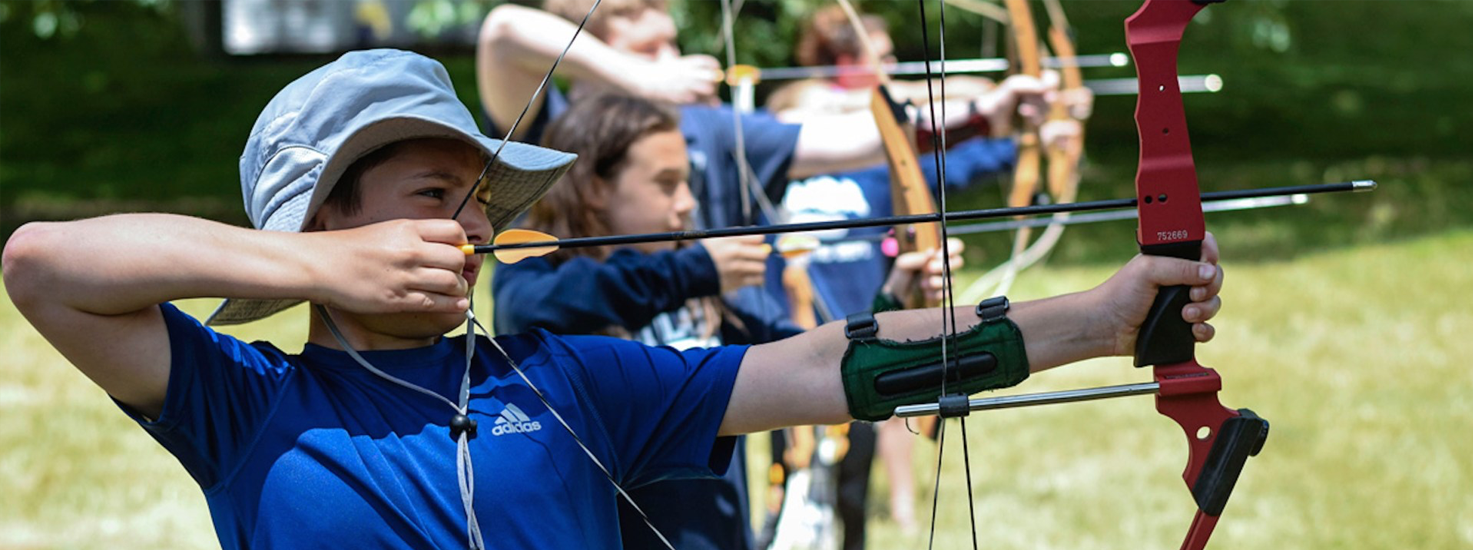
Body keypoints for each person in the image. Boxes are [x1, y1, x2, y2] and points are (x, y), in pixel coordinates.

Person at [1, 49, 1226, 549]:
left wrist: (1101, 320)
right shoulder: (242, 399)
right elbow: (43, 267)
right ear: (322, 215)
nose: (474, 224)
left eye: (482, 199)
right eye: (435, 190)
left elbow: (822, 364)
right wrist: (318, 274)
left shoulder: (566, 377)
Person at [491, 92, 962, 549]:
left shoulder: (704, 280)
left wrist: (898, 292)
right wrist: (694, 271)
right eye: (666, 183)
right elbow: (536, 307)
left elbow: (820, 362)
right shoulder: (544, 269)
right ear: (595, 187)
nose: (687, 203)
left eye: (688, 183)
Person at [475, 0, 1053, 230]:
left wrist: (984, 116)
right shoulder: (541, 124)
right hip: (572, 381)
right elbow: (503, 31)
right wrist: (648, 80)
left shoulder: (703, 126)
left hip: (692, 380)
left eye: (673, 46)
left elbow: (852, 141)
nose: (675, 62)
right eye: (652, 49)